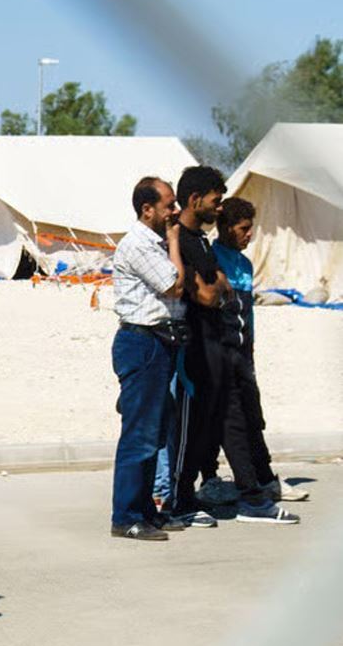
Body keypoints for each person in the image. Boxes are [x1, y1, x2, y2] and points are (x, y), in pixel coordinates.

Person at [165, 165, 293, 525]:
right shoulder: (180, 242)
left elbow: (220, 285)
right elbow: (207, 295)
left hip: (220, 351)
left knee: (234, 422)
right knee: (193, 432)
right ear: (195, 200)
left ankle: (253, 497)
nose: (219, 207)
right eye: (215, 201)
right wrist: (219, 290)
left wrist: (219, 289)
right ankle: (181, 501)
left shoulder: (201, 242)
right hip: (195, 352)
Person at [208, 198, 304, 520]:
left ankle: (265, 479)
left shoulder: (246, 265)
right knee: (227, 422)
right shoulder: (212, 259)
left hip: (243, 354)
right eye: (244, 228)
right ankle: (222, 482)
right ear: (226, 227)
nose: (249, 234)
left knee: (253, 416)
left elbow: (247, 316)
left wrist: (249, 354)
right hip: (221, 354)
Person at [108, 176, 186, 541]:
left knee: (153, 434)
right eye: (169, 205)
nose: (174, 212)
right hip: (142, 342)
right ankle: (125, 516)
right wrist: (175, 240)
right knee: (138, 434)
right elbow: (174, 285)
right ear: (147, 209)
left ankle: (145, 511)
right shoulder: (140, 244)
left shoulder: (153, 243)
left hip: (158, 343)